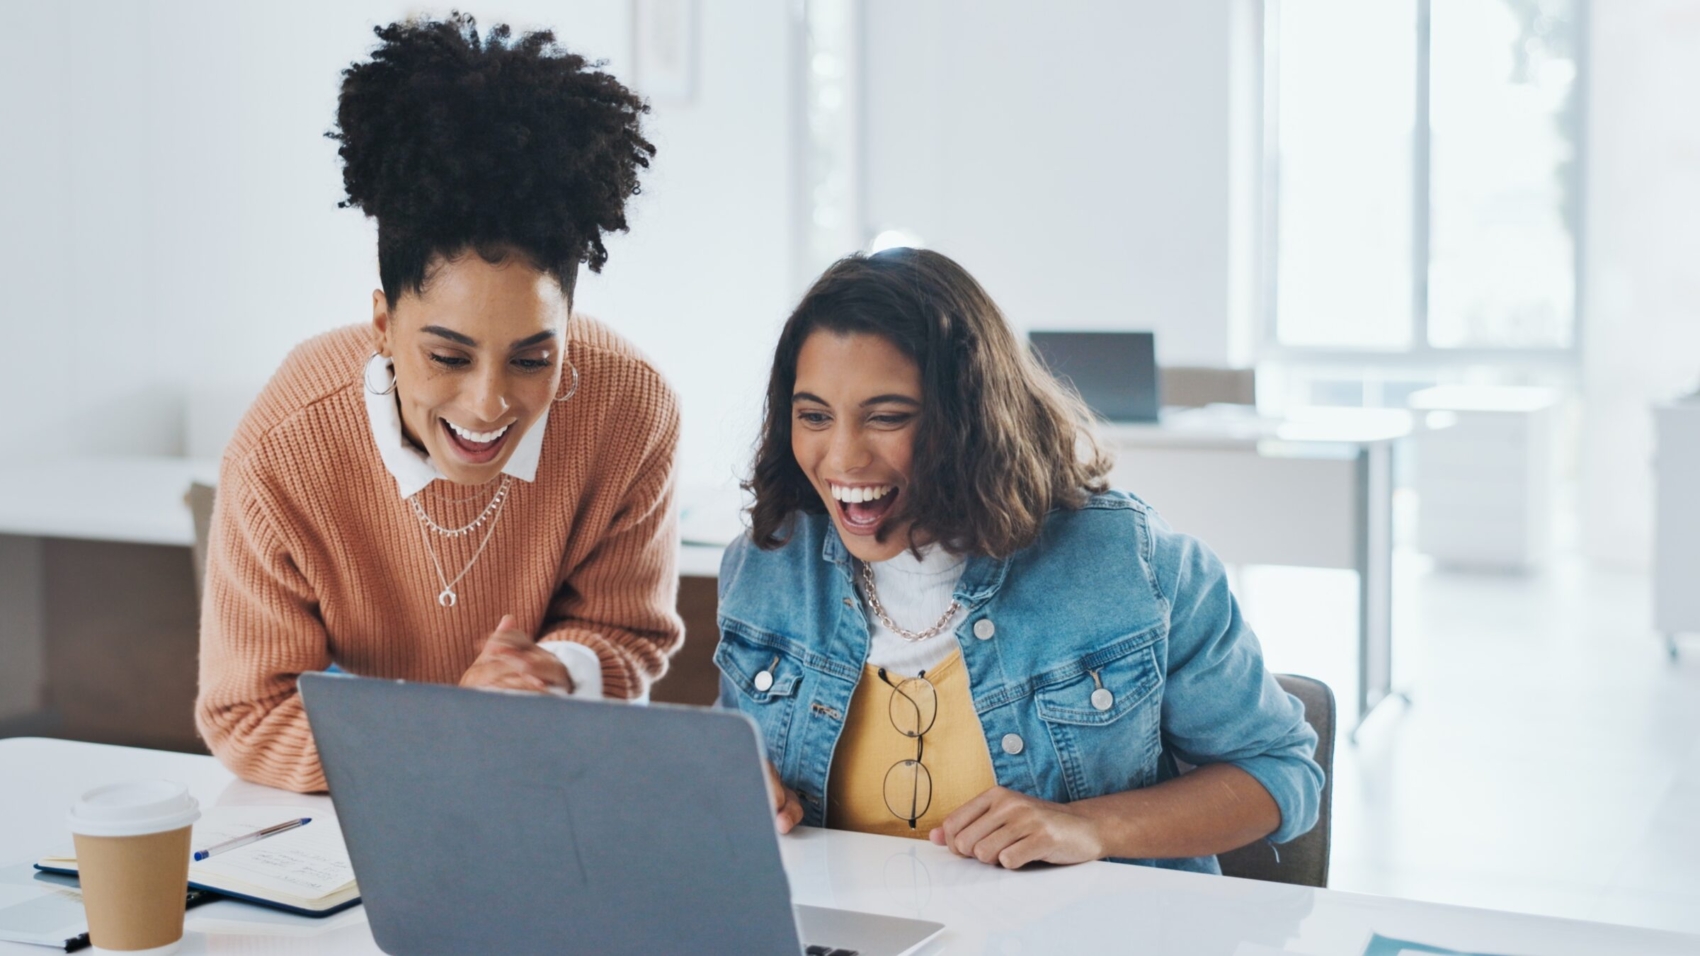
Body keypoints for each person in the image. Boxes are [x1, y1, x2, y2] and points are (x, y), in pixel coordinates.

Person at [715, 248, 1323, 872]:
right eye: (813, 415)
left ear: (970, 420)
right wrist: (734, 786)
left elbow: (1281, 773)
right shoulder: (767, 566)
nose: (841, 458)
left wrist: (1091, 827)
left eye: (887, 416)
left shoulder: (1130, 566)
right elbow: (735, 760)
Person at [196, 14, 681, 793]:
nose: (488, 404)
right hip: (368, 809)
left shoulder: (629, 409)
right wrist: (445, 731)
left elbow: (626, 631)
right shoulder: (284, 445)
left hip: (544, 786)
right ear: (385, 323)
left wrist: (551, 672)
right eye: (447, 356)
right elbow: (249, 712)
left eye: (533, 357)